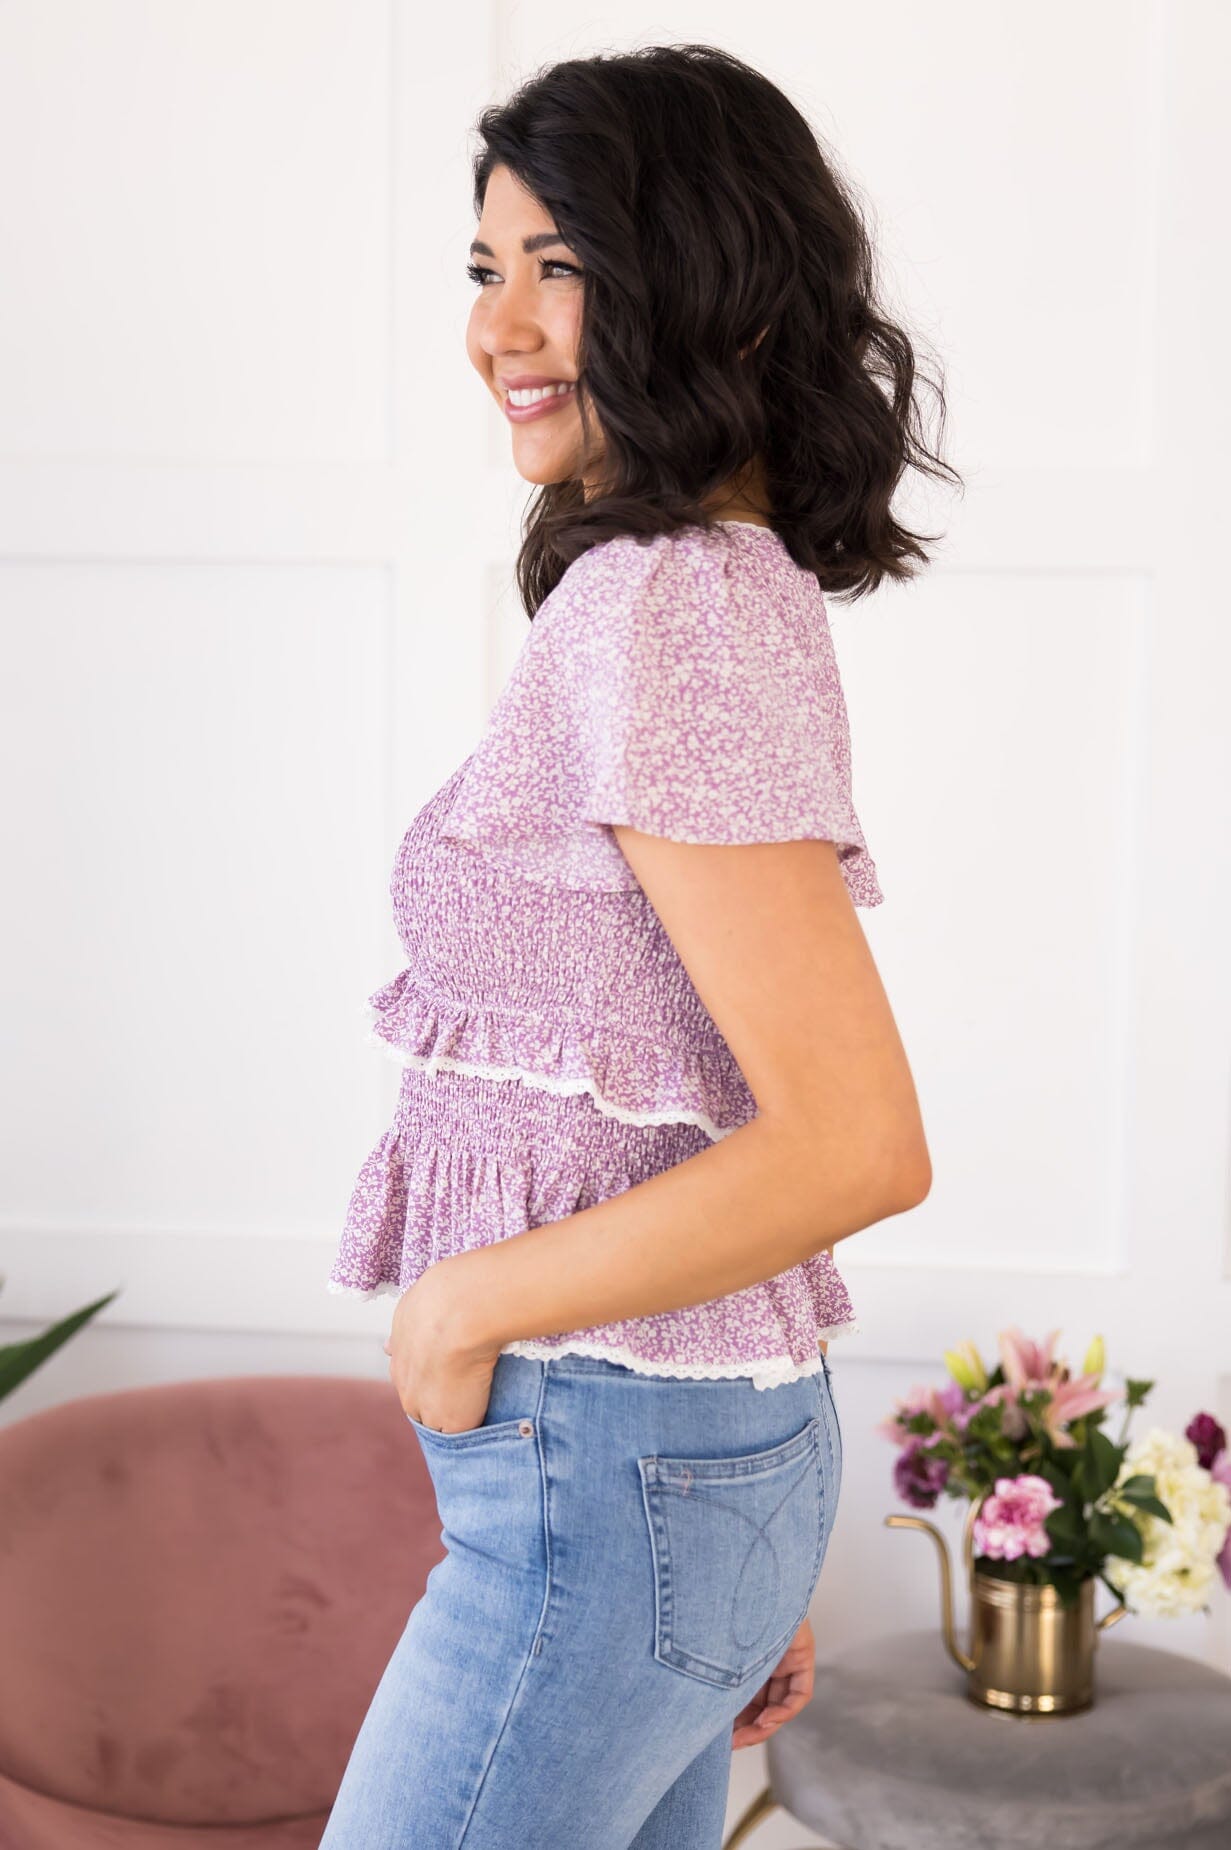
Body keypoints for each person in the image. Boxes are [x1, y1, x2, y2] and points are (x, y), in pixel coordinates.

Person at [320, 41, 957, 1850]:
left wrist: (465, 1302)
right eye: (482, 269)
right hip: (670, 1466)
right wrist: (722, 1555)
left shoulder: (670, 606)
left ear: (704, 280)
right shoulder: (706, 590)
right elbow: (711, 1098)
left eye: (556, 265)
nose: (495, 328)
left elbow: (856, 1143)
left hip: (607, 1463)